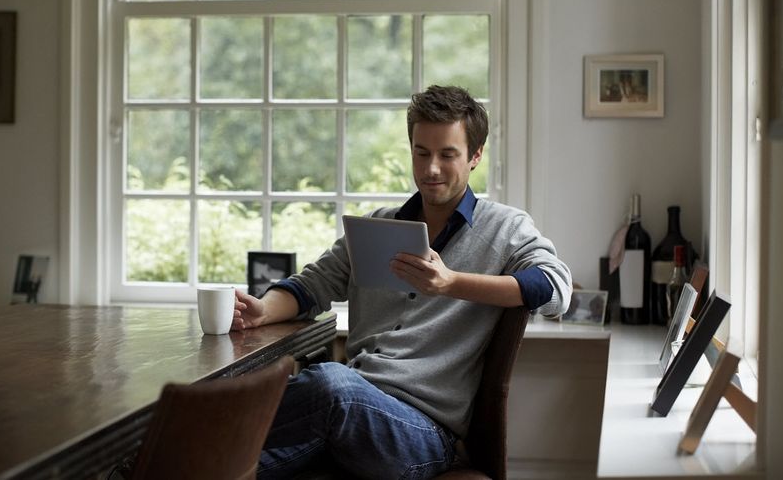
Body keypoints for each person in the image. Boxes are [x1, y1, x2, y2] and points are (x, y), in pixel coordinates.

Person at [232, 85, 573, 479]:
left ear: (476, 156)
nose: (430, 169)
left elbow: (554, 287)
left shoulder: (505, 228)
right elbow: (313, 284)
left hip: (422, 435)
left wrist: (451, 283)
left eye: (448, 155)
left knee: (331, 384)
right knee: (214, 468)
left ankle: (200, 420)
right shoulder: (379, 225)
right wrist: (263, 309)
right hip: (348, 416)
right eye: (421, 152)